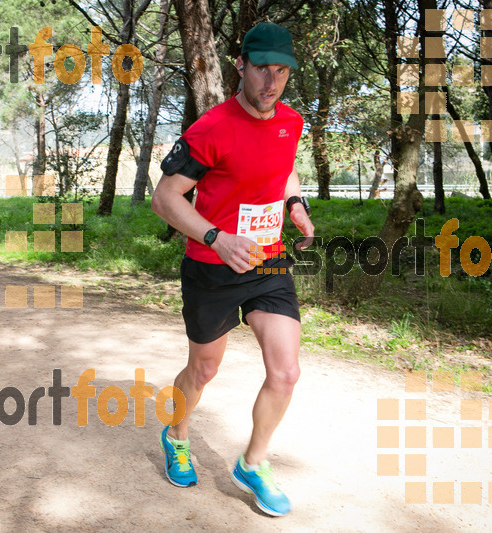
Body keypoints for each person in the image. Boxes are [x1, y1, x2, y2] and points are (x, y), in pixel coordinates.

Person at [151, 22, 313, 517]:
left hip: (266, 260)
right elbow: (165, 198)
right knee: (204, 368)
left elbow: (283, 164)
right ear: (239, 65)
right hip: (212, 266)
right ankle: (176, 434)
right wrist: (217, 239)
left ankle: (253, 463)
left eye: (281, 71)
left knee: (286, 372)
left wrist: (296, 203)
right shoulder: (212, 129)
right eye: (262, 68)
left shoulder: (291, 121)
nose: (271, 82)